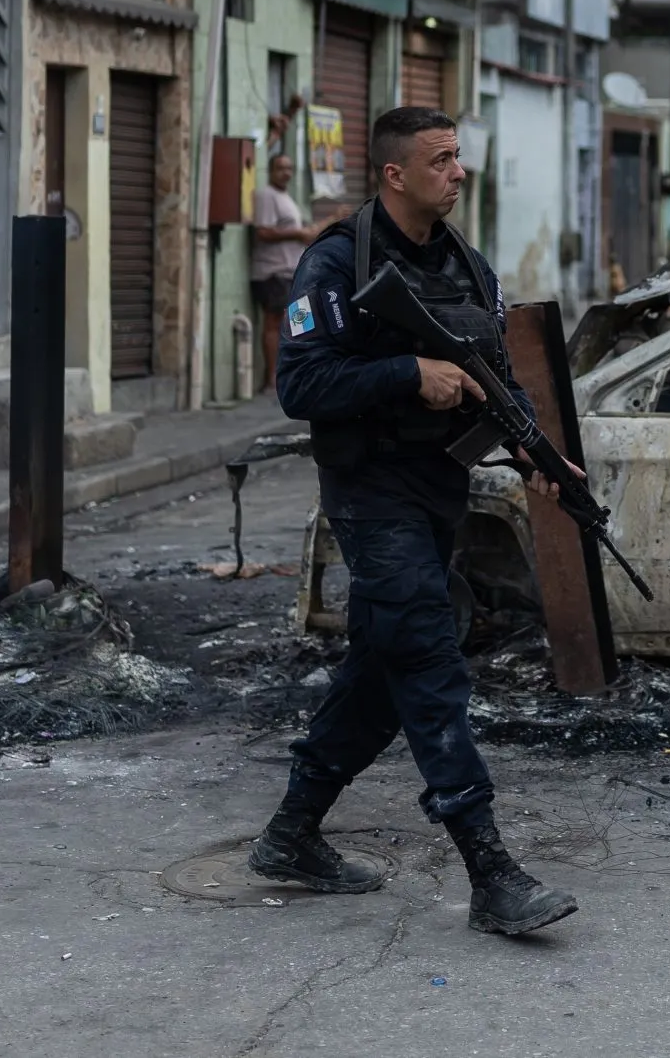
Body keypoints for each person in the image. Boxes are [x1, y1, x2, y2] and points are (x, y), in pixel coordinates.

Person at [251, 105, 581, 937]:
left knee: (380, 671)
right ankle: (490, 868)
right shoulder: (336, 262)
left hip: (438, 493)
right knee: (429, 658)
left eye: (459, 157)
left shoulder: (468, 267)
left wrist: (541, 458)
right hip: (370, 495)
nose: (458, 172)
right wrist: (406, 373)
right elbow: (300, 386)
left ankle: (290, 836)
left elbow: (497, 382)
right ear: (395, 174)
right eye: (441, 159)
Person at [251, 151, 321, 392]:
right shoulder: (266, 196)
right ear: (270, 171)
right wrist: (298, 233)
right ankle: (271, 379)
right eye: (281, 168)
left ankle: (291, 374)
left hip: (291, 270)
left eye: (289, 168)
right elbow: (263, 231)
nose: (286, 173)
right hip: (273, 271)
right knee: (276, 322)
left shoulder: (286, 197)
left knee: (298, 322)